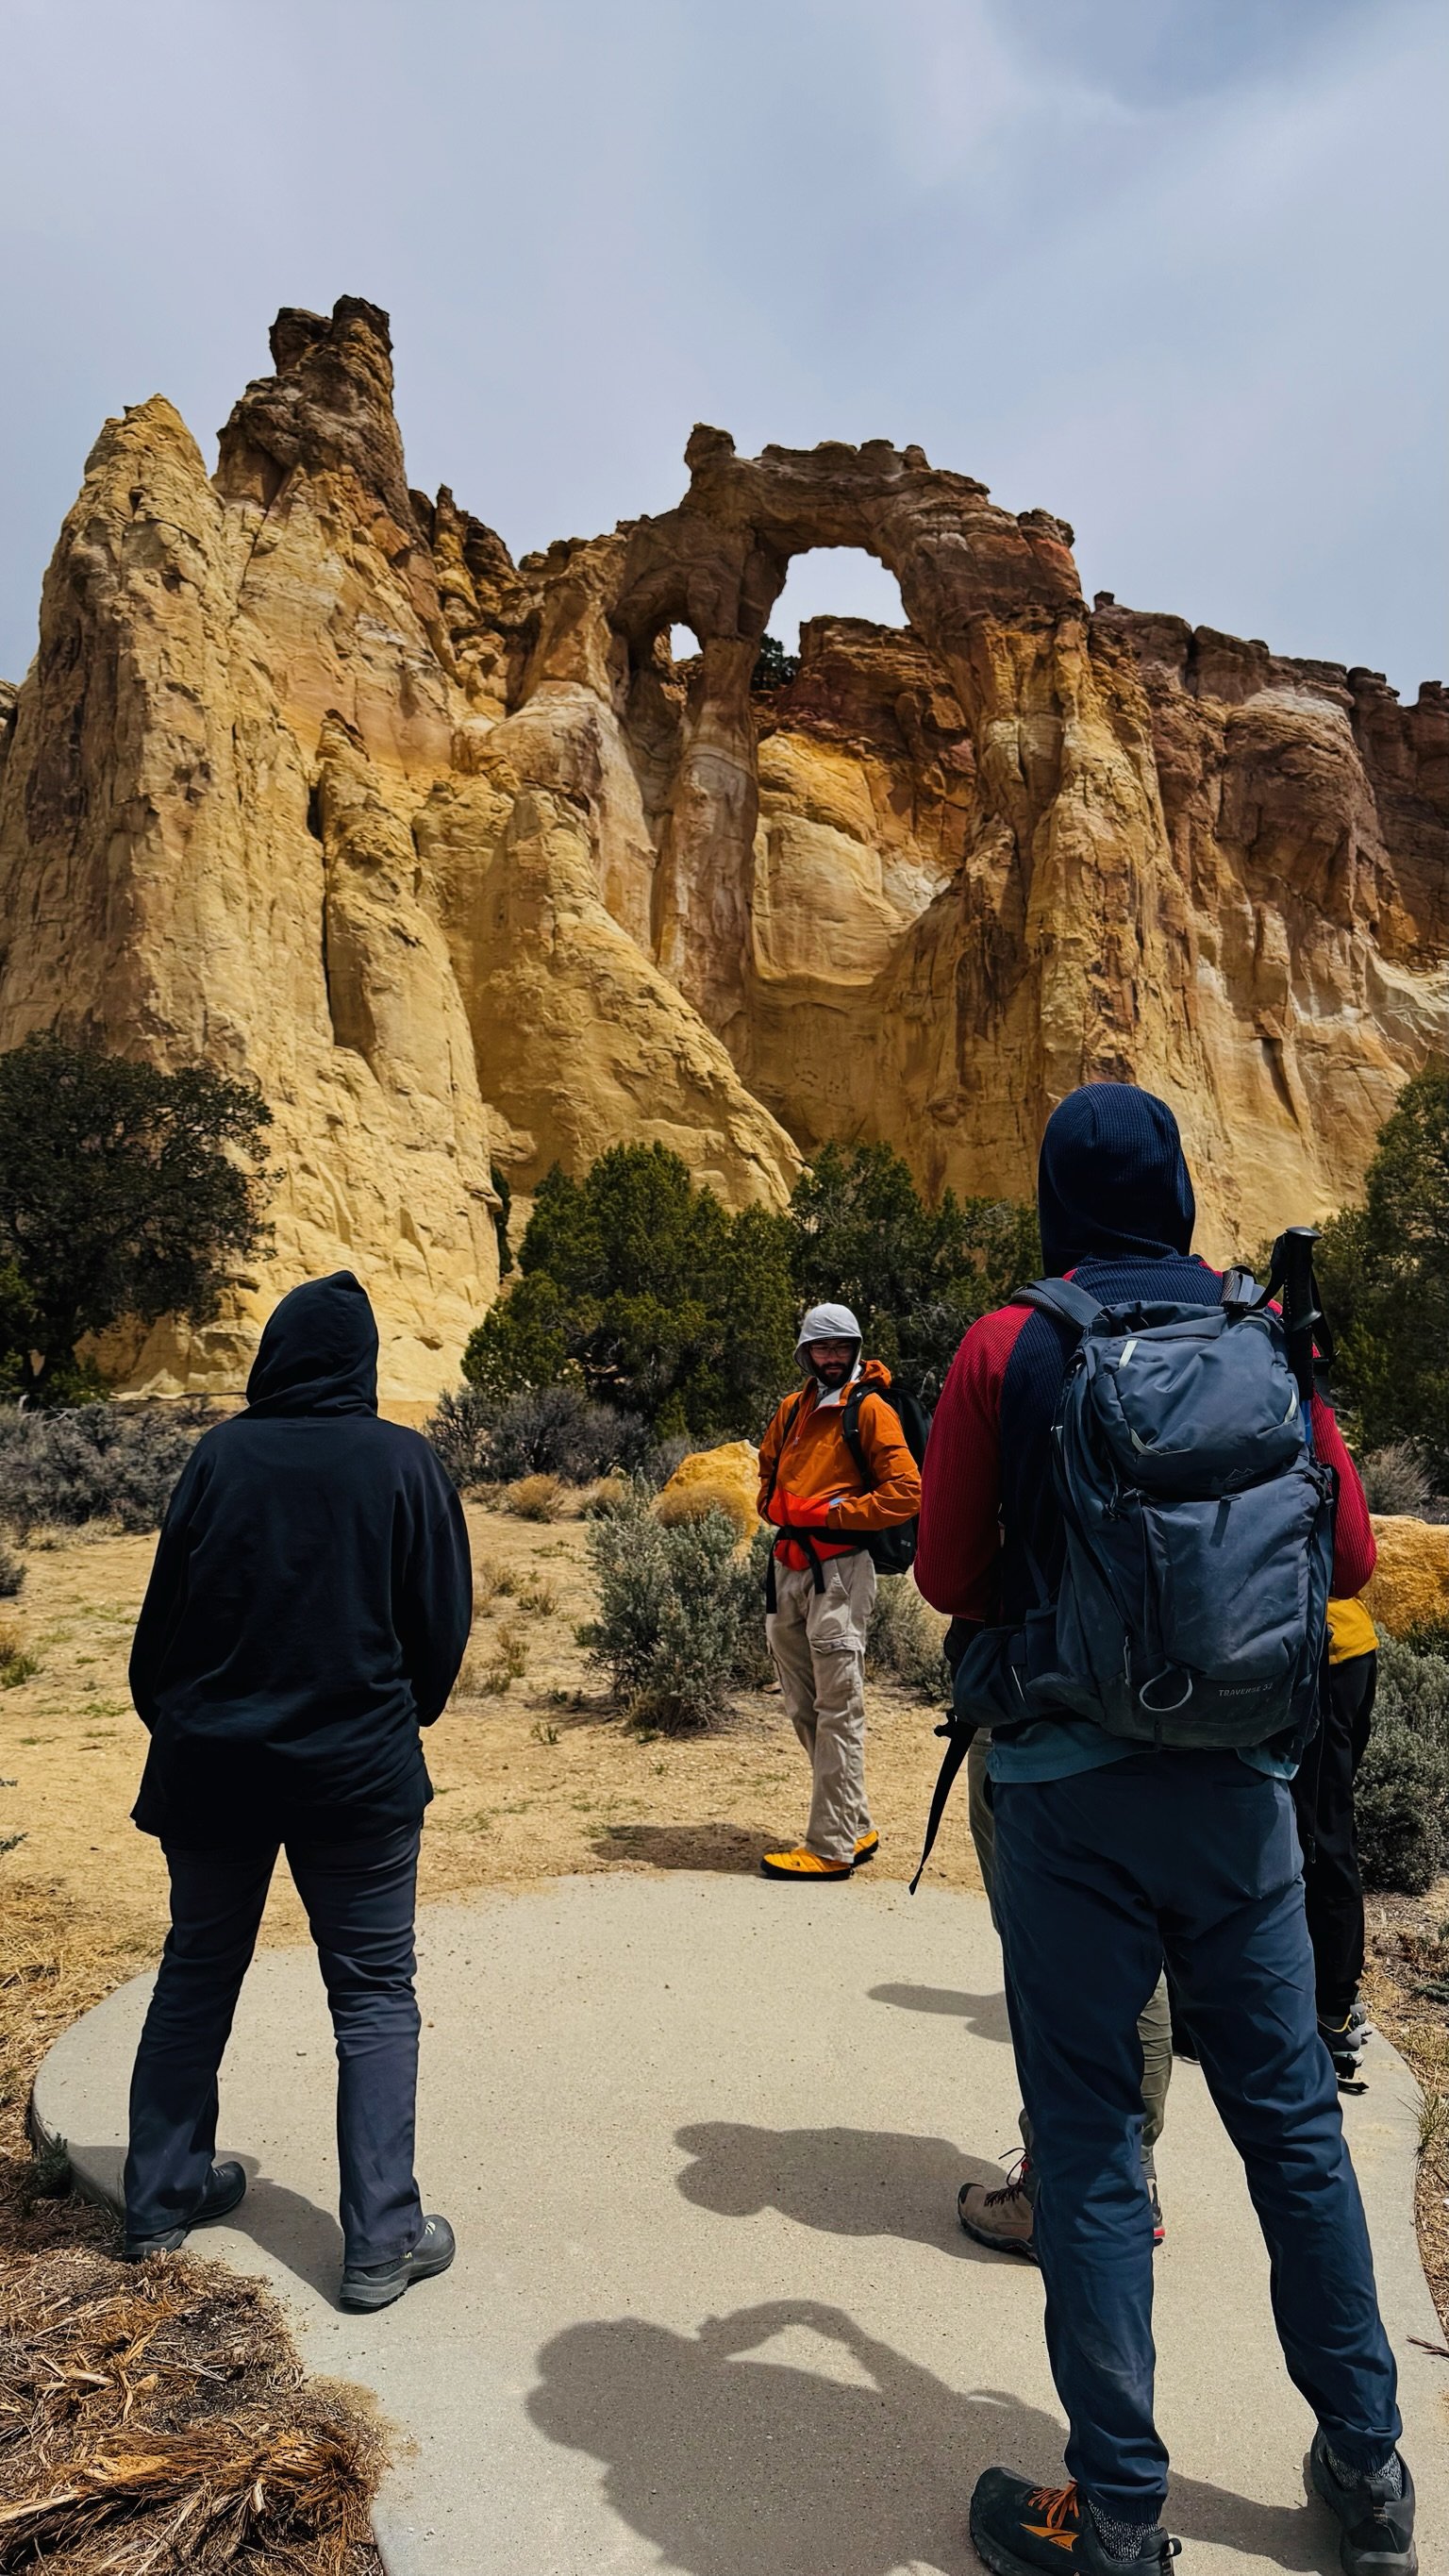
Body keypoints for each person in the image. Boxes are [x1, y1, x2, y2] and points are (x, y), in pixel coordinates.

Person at [916, 1085, 1414, 2576]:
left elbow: (943, 1573)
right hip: (1243, 1798)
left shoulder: (1015, 1340)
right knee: (1292, 2127)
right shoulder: (1266, 1334)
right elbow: (1351, 1547)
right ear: (1187, 1194)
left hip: (1071, 1797)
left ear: (1059, 1199)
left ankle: (1121, 2518)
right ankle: (1370, 2470)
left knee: (1087, 2144)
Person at [122, 1271, 473, 2314]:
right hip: (354, 1776)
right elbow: (440, 1627)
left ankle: (162, 2197)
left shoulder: (219, 1456)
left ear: (273, 1356)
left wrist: (181, 1721)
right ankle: (380, 2239)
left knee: (196, 1972)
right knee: (372, 1995)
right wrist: (398, 1715)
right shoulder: (404, 1462)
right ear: (359, 1366)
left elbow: (163, 1623)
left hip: (214, 1768)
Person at [757, 1302, 923, 1882]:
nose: (831, 1358)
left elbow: (907, 1493)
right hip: (788, 1568)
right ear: (805, 1353)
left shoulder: (871, 1411)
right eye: (821, 1349)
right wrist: (770, 1503)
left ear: (855, 1349)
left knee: (839, 1709)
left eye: (841, 1348)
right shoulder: (791, 1408)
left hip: (840, 1573)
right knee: (803, 1705)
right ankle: (853, 1822)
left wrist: (835, 1513)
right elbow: (767, 1471)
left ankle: (830, 1848)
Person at [1295, 1597, 1380, 2085]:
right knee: (1325, 1823)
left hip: (1320, 1654)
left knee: (1322, 1831)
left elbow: (1351, 1557)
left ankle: (1333, 2008)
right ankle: (1329, 1995)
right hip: (1345, 1644)